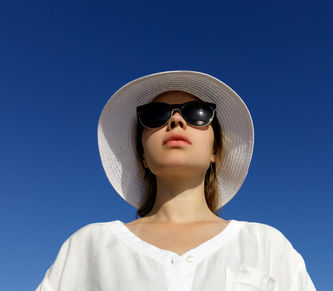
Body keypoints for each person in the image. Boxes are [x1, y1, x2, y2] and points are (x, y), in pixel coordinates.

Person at [36, 71, 316, 291]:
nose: (177, 120)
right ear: (142, 156)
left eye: (197, 113)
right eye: (155, 115)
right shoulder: (89, 246)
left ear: (215, 151)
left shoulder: (267, 245)